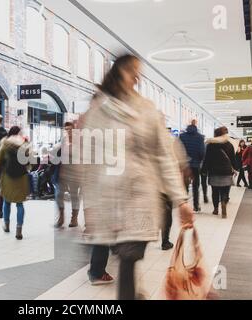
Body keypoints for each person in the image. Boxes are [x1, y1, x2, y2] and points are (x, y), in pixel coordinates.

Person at [80, 54, 194, 300]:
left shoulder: (146, 109)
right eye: (132, 70)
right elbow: (88, 159)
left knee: (130, 255)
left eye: (138, 71)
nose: (137, 77)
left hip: (141, 198)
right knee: (127, 257)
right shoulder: (99, 110)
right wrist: (88, 203)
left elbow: (164, 155)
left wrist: (181, 199)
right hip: (109, 199)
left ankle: (130, 294)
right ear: (117, 72)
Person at [0, 126, 30, 240]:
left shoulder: (4, 145)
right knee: (20, 204)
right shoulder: (25, 145)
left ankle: (6, 225)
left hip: (7, 178)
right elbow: (30, 162)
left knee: (7, 202)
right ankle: (19, 230)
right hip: (21, 178)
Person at [202, 127, 237, 219]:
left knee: (215, 191)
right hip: (226, 171)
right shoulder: (229, 144)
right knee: (225, 191)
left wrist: (204, 170)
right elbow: (233, 158)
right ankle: (224, 203)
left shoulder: (210, 145)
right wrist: (235, 168)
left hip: (214, 171)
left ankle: (216, 209)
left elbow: (207, 159)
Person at [54, 122, 81, 229]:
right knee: (58, 195)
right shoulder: (63, 141)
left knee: (74, 195)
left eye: (69, 129)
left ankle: (74, 218)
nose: (68, 131)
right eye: (66, 129)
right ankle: (61, 218)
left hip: (74, 173)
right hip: (63, 172)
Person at [179, 119, 206, 212]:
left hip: (184, 165)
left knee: (184, 186)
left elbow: (179, 151)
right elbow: (202, 152)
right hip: (195, 165)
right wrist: (200, 160)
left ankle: (184, 205)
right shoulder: (200, 137)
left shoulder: (181, 136)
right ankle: (196, 205)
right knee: (195, 186)